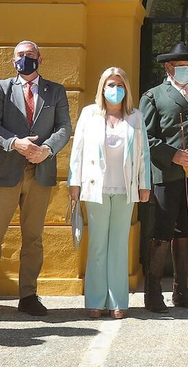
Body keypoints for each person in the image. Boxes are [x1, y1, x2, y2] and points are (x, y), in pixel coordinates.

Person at [0, 40, 71, 318]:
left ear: (40, 59)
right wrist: (15, 142)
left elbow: (64, 126)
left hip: (39, 172)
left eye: (30, 55)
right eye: (20, 55)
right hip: (5, 171)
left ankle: (28, 295)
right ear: (12, 59)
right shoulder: (0, 88)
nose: (25, 59)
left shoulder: (56, 91)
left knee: (33, 238)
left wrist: (47, 150)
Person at [69, 67, 150, 318]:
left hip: (125, 188)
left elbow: (143, 152)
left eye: (120, 85)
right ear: (102, 88)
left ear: (126, 89)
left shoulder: (135, 116)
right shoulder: (89, 114)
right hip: (95, 188)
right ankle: (95, 299)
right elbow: (78, 149)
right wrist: (74, 182)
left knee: (119, 245)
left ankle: (118, 301)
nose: (115, 90)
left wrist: (144, 183)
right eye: (110, 85)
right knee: (97, 245)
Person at [140, 41, 188, 312]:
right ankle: (153, 292)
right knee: (162, 231)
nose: (187, 70)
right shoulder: (154, 96)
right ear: (169, 67)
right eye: (182, 66)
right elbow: (145, 135)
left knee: (186, 232)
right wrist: (171, 154)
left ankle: (182, 291)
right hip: (167, 173)